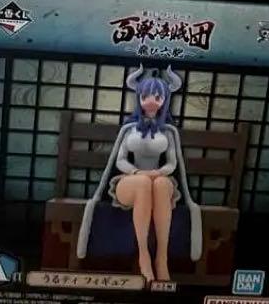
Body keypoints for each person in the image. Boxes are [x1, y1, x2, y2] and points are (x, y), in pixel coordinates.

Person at [77, 66, 201, 284]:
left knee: (161, 184)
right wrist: (137, 172)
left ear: (164, 99)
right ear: (139, 98)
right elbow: (120, 160)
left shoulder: (168, 131)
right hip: (130, 181)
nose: (151, 101)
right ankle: (144, 255)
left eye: (157, 97)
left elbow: (173, 163)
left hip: (157, 180)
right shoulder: (130, 128)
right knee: (144, 182)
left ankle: (162, 257)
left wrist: (157, 172)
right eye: (145, 96)